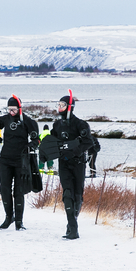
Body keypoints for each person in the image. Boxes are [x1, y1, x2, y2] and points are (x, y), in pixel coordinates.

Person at [0, 95, 39, 230]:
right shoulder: (4, 119)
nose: (12, 112)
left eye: (14, 109)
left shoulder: (28, 121)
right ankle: (8, 217)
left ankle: (19, 221)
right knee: (5, 190)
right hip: (5, 159)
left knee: (19, 191)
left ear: (20, 108)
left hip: (21, 161)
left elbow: (36, 140)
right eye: (9, 109)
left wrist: (30, 146)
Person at [50, 93, 92, 240]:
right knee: (67, 194)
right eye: (58, 105)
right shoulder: (56, 125)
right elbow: (52, 142)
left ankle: (71, 224)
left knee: (77, 196)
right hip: (63, 164)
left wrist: (74, 152)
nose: (59, 107)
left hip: (78, 164)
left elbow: (89, 143)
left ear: (69, 107)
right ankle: (73, 228)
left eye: (62, 105)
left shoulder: (81, 125)